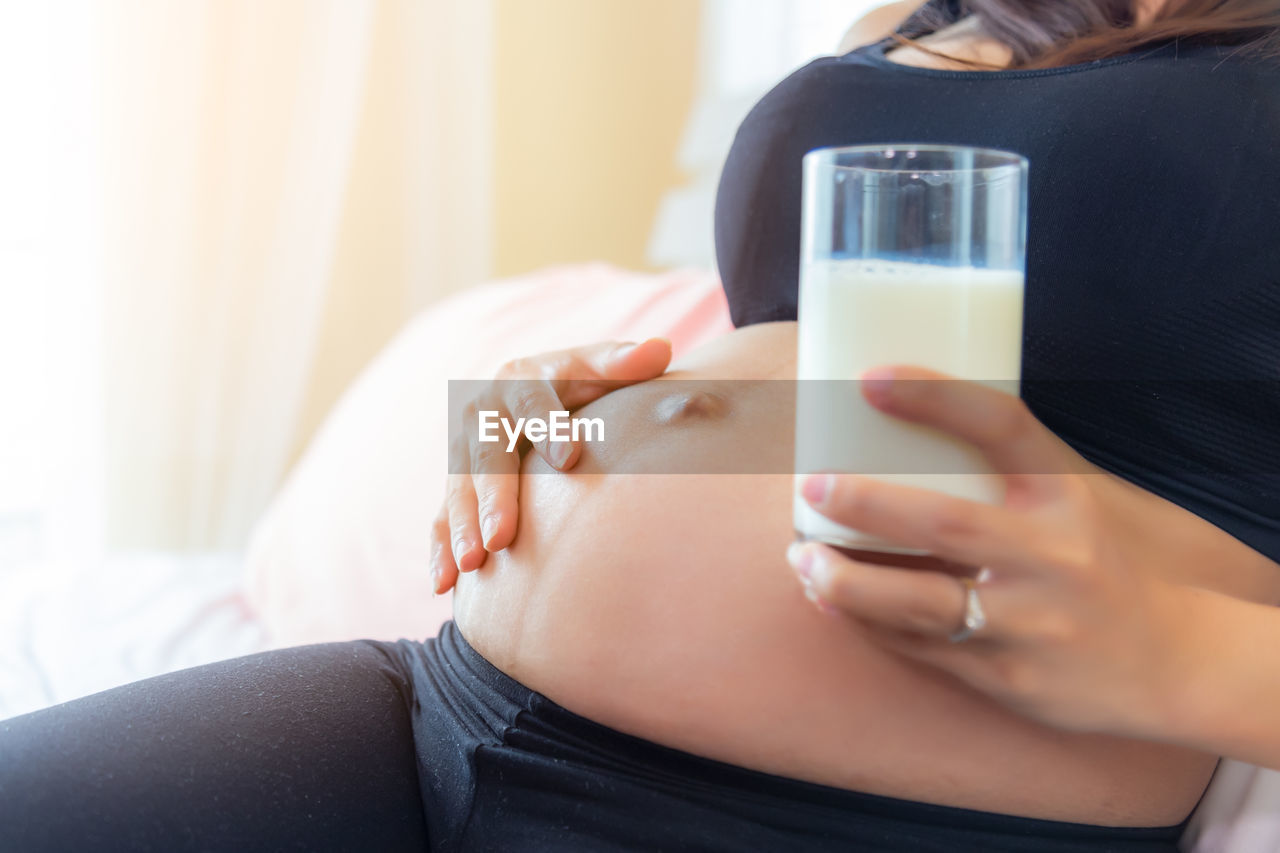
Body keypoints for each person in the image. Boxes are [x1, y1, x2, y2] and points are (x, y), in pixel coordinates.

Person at [3, 1, 1279, 850]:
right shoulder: (939, 12)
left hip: (850, 816)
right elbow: (851, 390)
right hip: (444, 707)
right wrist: (612, 417)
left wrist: (1184, 649)